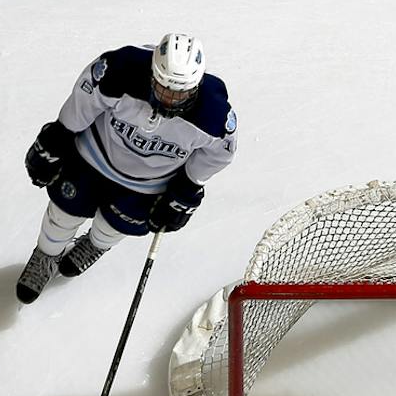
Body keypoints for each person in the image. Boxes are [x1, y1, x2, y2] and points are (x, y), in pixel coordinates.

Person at [17, 33, 238, 305]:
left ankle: (95, 245)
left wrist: (188, 187)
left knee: (114, 226)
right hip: (93, 158)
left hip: (147, 184)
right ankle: (46, 254)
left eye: (180, 92)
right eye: (163, 87)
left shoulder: (214, 115)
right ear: (152, 73)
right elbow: (86, 98)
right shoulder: (121, 69)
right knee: (63, 214)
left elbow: (219, 155)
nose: (170, 98)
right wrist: (60, 134)